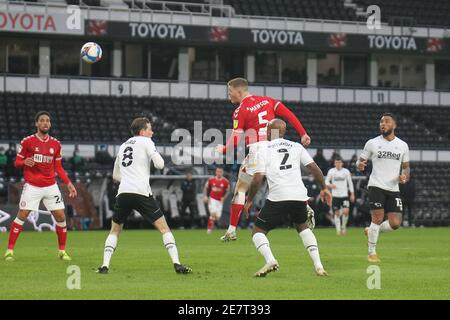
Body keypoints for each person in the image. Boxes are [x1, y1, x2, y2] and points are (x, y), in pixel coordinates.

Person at [217, 77, 310, 241]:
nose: (229, 95)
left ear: (239, 91)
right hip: (275, 151)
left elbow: (236, 138)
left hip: (257, 152)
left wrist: (224, 149)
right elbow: (288, 114)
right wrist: (302, 133)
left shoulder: (240, 110)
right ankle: (305, 205)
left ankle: (231, 230)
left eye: (230, 91)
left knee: (240, 189)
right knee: (285, 179)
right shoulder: (268, 101)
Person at [97, 117, 191, 274]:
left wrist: (129, 178)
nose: (152, 132)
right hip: (141, 192)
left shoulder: (123, 145)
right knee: (164, 228)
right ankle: (177, 264)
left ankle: (105, 266)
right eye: (150, 129)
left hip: (124, 192)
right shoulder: (146, 142)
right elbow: (160, 164)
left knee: (115, 230)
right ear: (142, 131)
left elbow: (115, 175)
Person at [243, 119, 332, 277]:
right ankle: (318, 266)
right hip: (299, 196)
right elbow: (315, 169)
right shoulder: (296, 146)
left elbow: (257, 178)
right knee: (302, 226)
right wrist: (324, 188)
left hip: (279, 196)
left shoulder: (262, 148)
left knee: (258, 231)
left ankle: (270, 260)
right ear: (283, 132)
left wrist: (249, 200)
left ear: (270, 132)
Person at [4, 111, 77, 262]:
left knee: (61, 216)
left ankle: (62, 251)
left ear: (50, 124)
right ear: (36, 124)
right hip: (32, 186)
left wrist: (68, 183)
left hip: (51, 185)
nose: (45, 123)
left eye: (47, 121)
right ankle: (9, 250)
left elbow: (58, 167)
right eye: (42, 121)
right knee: (22, 214)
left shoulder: (56, 144)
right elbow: (16, 162)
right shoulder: (27, 142)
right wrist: (24, 162)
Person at [357, 113, 410, 263]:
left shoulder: (403, 145)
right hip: (376, 185)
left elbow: (406, 168)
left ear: (394, 125)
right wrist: (359, 165)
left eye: (386, 121)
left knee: (395, 223)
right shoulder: (372, 143)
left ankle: (372, 231)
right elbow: (360, 162)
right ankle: (371, 252)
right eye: (381, 121)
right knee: (378, 218)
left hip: (393, 188)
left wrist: (404, 176)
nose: (383, 124)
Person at [326, 156, 355, 235]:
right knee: (337, 213)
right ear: (334, 163)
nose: (338, 164)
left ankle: (343, 227)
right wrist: (330, 185)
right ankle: (338, 230)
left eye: (339, 163)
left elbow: (350, 183)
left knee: (346, 211)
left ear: (342, 163)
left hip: (344, 195)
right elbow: (326, 181)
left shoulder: (346, 171)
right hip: (335, 195)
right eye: (336, 163)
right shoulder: (331, 171)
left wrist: (352, 194)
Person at [203, 167, 230, 234]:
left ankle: (211, 225)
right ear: (216, 172)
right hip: (212, 199)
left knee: (217, 217)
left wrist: (224, 198)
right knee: (213, 213)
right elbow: (206, 188)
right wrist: (205, 196)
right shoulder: (211, 180)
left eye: (220, 171)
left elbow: (228, 190)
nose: (219, 173)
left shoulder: (225, 181)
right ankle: (209, 229)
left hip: (219, 201)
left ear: (222, 172)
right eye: (218, 171)